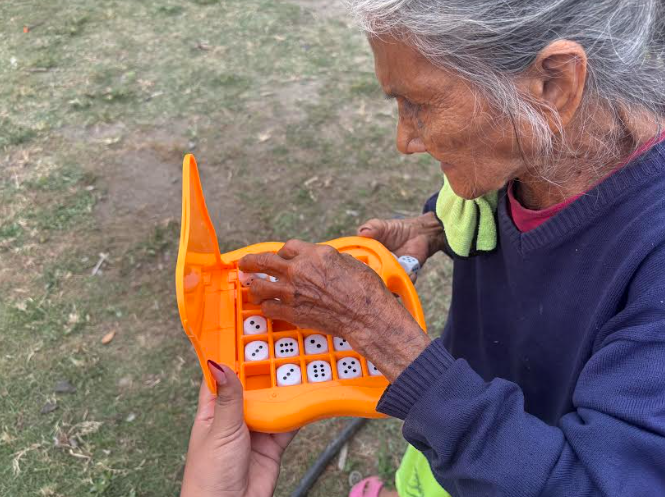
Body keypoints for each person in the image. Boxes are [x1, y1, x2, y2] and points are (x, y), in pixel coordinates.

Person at [182, 1, 665, 495]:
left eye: (419, 104)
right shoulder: (534, 143)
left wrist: (379, 333)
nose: (404, 139)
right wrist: (434, 227)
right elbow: (519, 229)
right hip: (458, 422)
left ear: (554, 83)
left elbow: (592, 484)